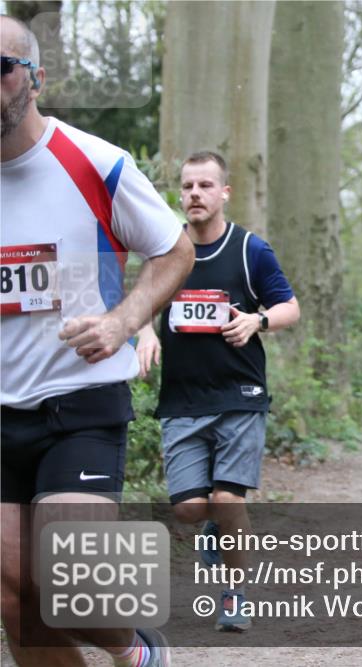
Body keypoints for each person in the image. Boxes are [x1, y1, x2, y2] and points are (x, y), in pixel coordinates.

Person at [1, 15, 194, 667]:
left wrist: (122, 320)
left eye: (1, 69)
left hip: (80, 401)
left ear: (35, 79)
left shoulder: (96, 162)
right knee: (12, 600)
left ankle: (136, 650)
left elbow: (174, 249)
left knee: (69, 577)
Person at [137, 151, 300, 632]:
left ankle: (235, 593)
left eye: (205, 186)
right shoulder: (167, 252)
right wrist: (146, 333)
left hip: (239, 394)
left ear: (224, 192)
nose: (194, 195)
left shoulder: (250, 249)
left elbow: (289, 307)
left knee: (229, 499)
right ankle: (221, 529)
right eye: (187, 187)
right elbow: (143, 301)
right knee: (189, 508)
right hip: (183, 398)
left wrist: (259, 319)